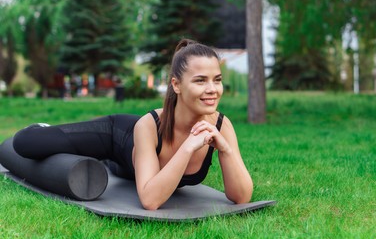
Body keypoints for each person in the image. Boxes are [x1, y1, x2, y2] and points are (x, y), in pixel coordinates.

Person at [12, 39, 253, 210]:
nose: (212, 89)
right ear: (176, 85)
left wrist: (226, 150)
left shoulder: (221, 125)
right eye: (200, 81)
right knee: (26, 143)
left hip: (123, 170)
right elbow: (150, 201)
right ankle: (45, 128)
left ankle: (101, 161)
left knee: (110, 167)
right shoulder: (149, 125)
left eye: (217, 80)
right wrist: (188, 147)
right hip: (117, 137)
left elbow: (241, 196)